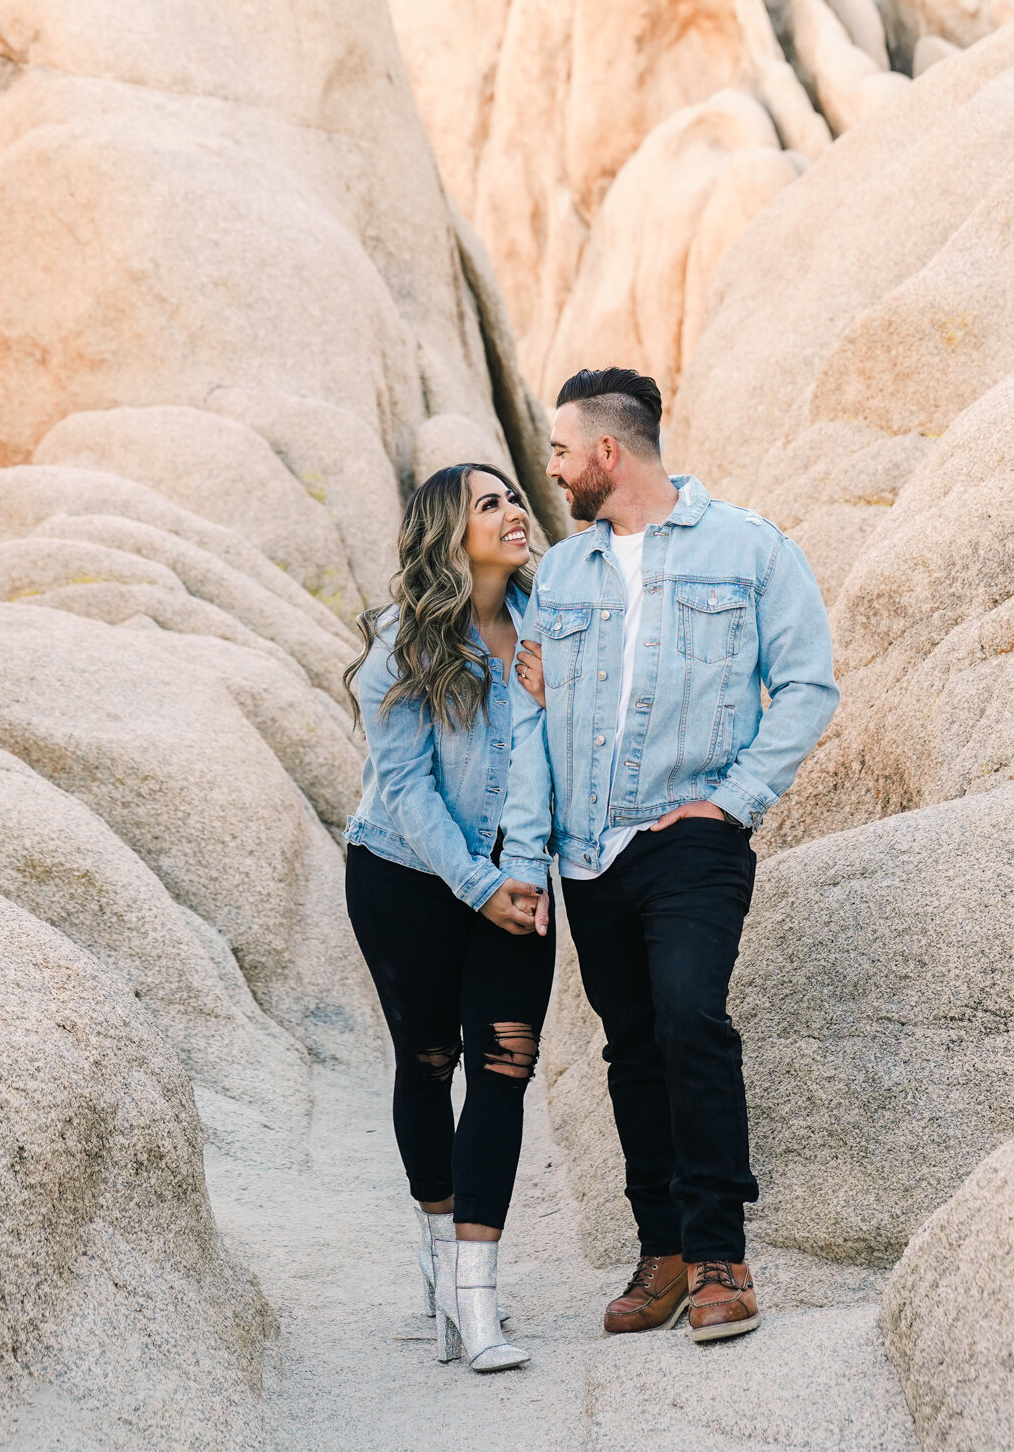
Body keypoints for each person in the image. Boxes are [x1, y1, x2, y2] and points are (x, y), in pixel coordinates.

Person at [503, 368, 838, 1344]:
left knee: (692, 1018)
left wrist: (726, 803)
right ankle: (663, 1252)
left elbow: (808, 687)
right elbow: (531, 721)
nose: (553, 471)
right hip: (587, 851)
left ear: (609, 452)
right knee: (632, 1047)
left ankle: (721, 1252)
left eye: (562, 452)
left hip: (691, 840)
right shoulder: (560, 577)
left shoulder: (750, 549)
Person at [341, 462, 556, 1374]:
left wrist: (521, 871)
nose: (513, 512)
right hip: (403, 876)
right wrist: (479, 885)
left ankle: (479, 1302)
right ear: (446, 533)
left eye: (513, 497)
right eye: (489, 503)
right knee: (430, 1063)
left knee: (505, 1061)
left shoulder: (551, 630)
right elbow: (410, 791)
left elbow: (557, 762)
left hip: (517, 878)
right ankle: (438, 1269)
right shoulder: (403, 647)